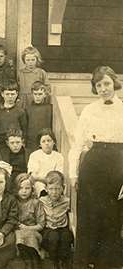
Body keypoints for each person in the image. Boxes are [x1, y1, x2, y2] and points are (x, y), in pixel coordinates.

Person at [68, 65, 123, 269]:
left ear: (114, 84)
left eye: (107, 83)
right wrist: (73, 175)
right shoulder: (89, 110)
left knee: (112, 220)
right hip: (92, 168)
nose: (103, 88)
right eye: (98, 85)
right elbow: (76, 145)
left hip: (117, 168)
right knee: (89, 219)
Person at [40, 171, 74, 269]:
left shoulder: (66, 201)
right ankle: (54, 262)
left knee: (66, 237)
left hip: (62, 228)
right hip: (48, 229)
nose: (54, 192)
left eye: (57, 189)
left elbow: (71, 214)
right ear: (46, 189)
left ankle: (64, 262)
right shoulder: (42, 201)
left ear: (63, 188)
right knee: (53, 237)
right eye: (51, 189)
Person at [14, 173, 45, 269]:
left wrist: (28, 228)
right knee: (19, 236)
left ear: (32, 189)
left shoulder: (36, 203)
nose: (24, 191)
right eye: (21, 188)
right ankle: (28, 263)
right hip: (18, 232)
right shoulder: (14, 202)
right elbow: (12, 220)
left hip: (33, 232)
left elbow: (41, 225)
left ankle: (35, 261)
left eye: (27, 188)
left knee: (30, 236)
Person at [0, 80, 27, 159]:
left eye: (12, 94)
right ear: (2, 94)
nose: (10, 97)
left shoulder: (20, 111)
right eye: (7, 94)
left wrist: (22, 142)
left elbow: (24, 128)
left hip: (15, 142)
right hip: (1, 143)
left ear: (17, 94)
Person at [27, 128, 63, 197]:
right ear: (40, 144)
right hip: (39, 183)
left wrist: (49, 180)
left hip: (54, 183)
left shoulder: (59, 156)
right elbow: (33, 175)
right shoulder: (34, 155)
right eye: (43, 141)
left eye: (49, 141)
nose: (46, 143)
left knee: (55, 187)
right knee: (39, 185)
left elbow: (58, 175)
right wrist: (46, 179)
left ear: (54, 142)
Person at [26, 81, 53, 156]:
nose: (37, 96)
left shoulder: (49, 108)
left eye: (40, 94)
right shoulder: (28, 109)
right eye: (35, 94)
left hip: (45, 141)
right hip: (31, 142)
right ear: (32, 94)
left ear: (45, 95)